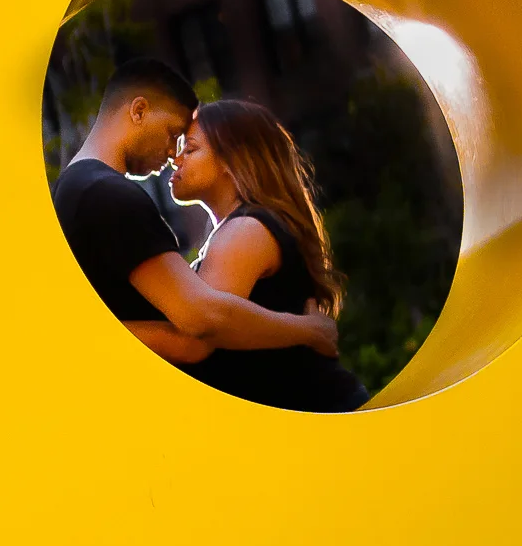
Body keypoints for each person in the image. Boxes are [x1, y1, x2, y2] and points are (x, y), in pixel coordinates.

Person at [52, 59, 338, 366]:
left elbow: (196, 328)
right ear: (139, 111)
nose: (173, 156)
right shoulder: (108, 194)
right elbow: (199, 327)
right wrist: (309, 330)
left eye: (188, 148)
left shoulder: (70, 189)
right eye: (173, 134)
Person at [159, 99, 371, 413]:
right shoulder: (248, 226)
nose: (175, 160)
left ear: (231, 160)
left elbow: (196, 338)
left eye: (190, 149)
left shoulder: (246, 231)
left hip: (318, 419)